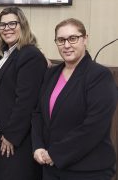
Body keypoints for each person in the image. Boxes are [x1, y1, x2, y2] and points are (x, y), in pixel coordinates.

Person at [32, 18, 117, 180]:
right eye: (61, 40)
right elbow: (37, 114)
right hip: (51, 167)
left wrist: (55, 154)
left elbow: (94, 127)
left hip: (88, 170)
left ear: (85, 39)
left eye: (73, 38)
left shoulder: (99, 76)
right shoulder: (51, 74)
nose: (66, 45)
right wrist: (38, 147)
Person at [0, 6, 46, 180]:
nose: (7, 28)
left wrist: (11, 136)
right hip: (0, 130)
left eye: (12, 23)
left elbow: (26, 101)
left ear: (23, 25)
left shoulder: (30, 55)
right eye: (2, 25)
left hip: (17, 137)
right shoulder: (5, 53)